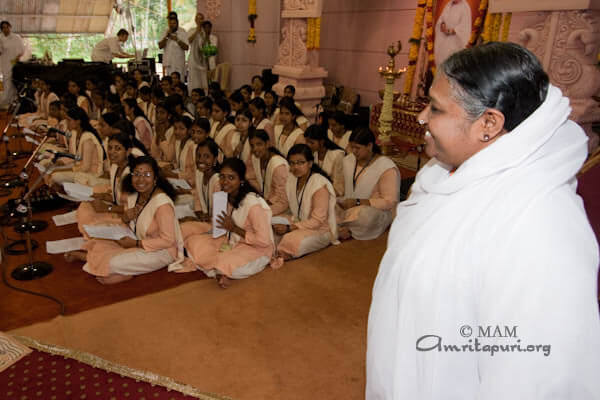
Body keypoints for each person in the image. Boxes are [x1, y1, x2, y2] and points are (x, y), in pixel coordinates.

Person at [366, 42, 600, 399]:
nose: (421, 118)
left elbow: (537, 377)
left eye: (436, 109)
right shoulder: (444, 175)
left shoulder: (542, 225)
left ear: (488, 123)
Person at [70, 156, 184, 284]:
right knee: (99, 238)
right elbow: (132, 223)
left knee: (113, 263)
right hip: (136, 238)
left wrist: (136, 244)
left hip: (161, 251)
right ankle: (108, 264)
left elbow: (168, 241)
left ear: (155, 178)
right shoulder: (135, 195)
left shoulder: (162, 204)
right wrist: (126, 217)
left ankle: (91, 259)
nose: (141, 179)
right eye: (136, 174)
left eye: (146, 174)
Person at [183, 157, 275, 288]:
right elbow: (220, 228)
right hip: (232, 240)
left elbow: (264, 240)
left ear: (241, 180)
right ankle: (221, 268)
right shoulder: (223, 195)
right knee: (194, 241)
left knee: (223, 261)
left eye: (231, 178)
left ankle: (222, 269)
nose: (225, 182)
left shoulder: (252, 204)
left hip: (257, 249)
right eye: (222, 177)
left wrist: (234, 228)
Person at [274, 144, 338, 260]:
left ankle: (282, 250)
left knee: (290, 240)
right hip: (298, 221)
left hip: (320, 230)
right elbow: (285, 203)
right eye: (292, 163)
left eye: (300, 163)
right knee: (270, 223)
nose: (295, 167)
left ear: (310, 163)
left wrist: (289, 228)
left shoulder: (319, 185)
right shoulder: (292, 178)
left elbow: (317, 221)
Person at [337, 127, 400, 241]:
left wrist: (358, 202)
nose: (354, 151)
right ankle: (345, 226)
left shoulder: (386, 167)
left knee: (366, 216)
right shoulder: (348, 160)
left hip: (376, 211)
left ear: (370, 146)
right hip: (349, 206)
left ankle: (347, 228)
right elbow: (342, 185)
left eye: (357, 148)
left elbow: (389, 202)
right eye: (352, 147)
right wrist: (337, 194)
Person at [246, 129, 289, 216]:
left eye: (259, 144)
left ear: (267, 144)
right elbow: (251, 178)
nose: (255, 149)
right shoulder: (254, 158)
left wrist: (263, 208)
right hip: (265, 201)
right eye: (252, 145)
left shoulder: (278, 166)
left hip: (282, 208)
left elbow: (283, 200)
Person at [304, 124, 345, 196]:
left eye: (311, 142)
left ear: (322, 142)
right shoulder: (313, 154)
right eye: (307, 141)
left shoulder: (337, 155)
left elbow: (339, 188)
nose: (308, 145)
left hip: (333, 195)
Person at [434, 0, 472, 65]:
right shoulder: (449, 5)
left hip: (456, 42)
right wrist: (442, 24)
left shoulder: (465, 6)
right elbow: (442, 19)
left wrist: (450, 31)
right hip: (444, 39)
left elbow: (464, 26)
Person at [188, 16, 218, 92]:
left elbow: (206, 48)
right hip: (193, 60)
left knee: (203, 82)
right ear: (195, 20)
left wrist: (204, 36)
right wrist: (197, 31)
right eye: (198, 18)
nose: (200, 20)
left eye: (201, 19)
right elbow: (188, 41)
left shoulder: (204, 33)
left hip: (203, 61)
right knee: (194, 81)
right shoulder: (191, 30)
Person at [0, 21, 24, 108]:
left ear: (10, 27)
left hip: (14, 63)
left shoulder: (17, 37)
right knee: (5, 83)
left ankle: (12, 102)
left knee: (13, 82)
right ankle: (3, 102)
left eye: (7, 27)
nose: (5, 29)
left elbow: (21, 50)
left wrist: (16, 60)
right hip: (3, 63)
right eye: (3, 28)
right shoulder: (0, 38)